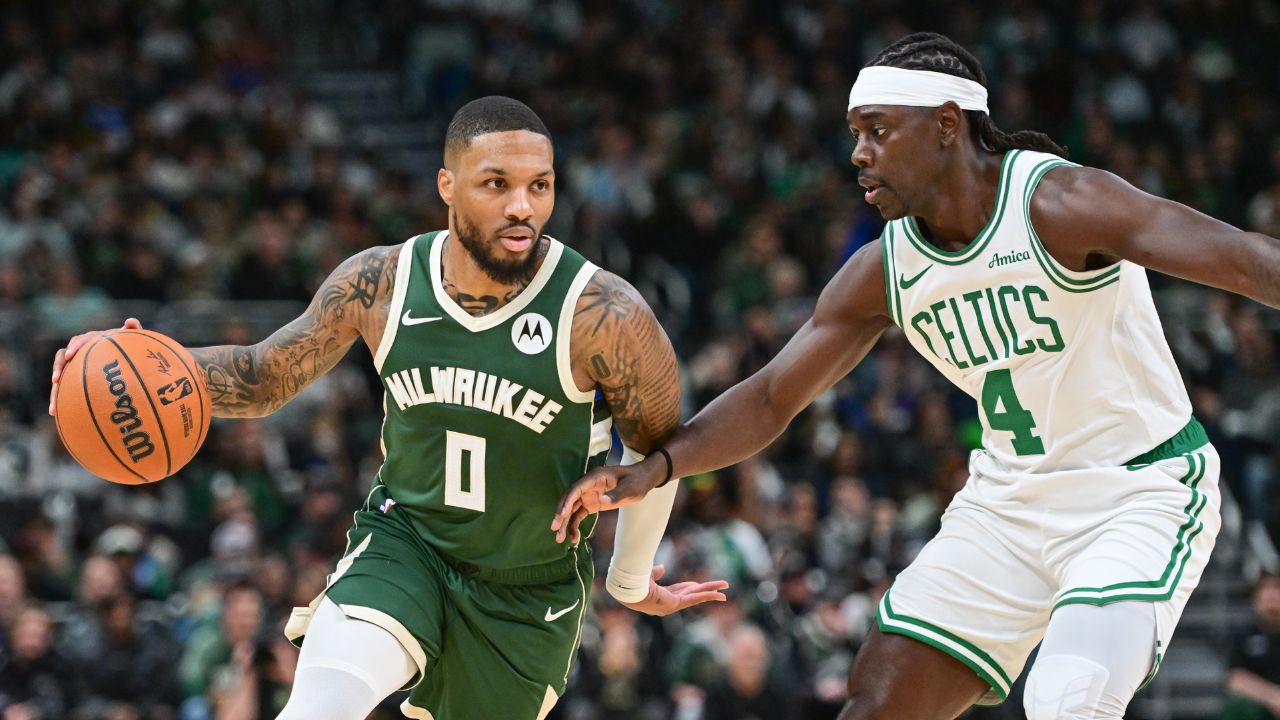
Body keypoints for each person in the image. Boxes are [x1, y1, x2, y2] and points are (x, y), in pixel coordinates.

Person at [552, 32, 1280, 720]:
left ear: (944, 124)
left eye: (876, 130)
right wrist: (661, 466)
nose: (859, 155)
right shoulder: (884, 270)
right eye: (853, 136)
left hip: (1134, 490)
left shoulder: (1060, 204)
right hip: (1007, 502)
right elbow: (773, 397)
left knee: (1071, 696)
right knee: (873, 705)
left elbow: (1244, 259)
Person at [49, 96, 727, 720]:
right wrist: (130, 362)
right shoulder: (380, 283)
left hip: (528, 591)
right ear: (448, 186)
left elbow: (655, 445)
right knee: (318, 707)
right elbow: (264, 376)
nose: (522, 205)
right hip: (409, 543)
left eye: (539, 186)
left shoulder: (602, 313)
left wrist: (631, 577)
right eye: (497, 184)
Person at [1221, 574, 1280, 720]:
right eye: (1266, 591)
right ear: (1256, 600)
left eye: (1276, 590)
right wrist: (1273, 697)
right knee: (1236, 707)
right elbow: (1234, 680)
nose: (1271, 596)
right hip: (1260, 705)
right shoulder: (1243, 635)